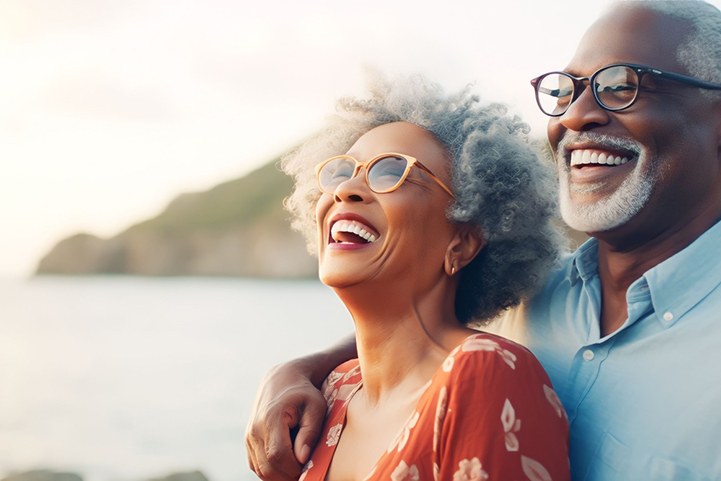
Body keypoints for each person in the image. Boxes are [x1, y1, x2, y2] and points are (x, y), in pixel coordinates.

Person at [246, 1, 721, 480]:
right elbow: (411, 331)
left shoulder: (494, 360)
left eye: (621, 85)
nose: (576, 116)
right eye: (566, 91)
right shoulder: (529, 295)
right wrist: (301, 370)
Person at [247, 76, 571, 480]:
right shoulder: (332, 390)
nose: (348, 188)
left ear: (462, 243)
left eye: (392, 172)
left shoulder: (485, 374)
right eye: (343, 172)